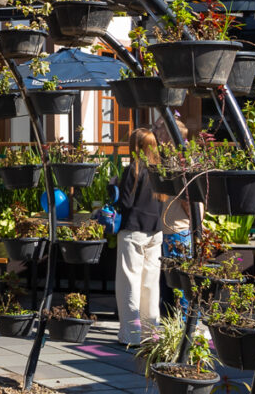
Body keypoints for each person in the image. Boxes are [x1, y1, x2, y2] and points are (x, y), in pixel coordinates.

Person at [115, 128, 164, 346]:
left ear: (135, 146)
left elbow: (125, 203)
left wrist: (113, 186)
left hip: (133, 230)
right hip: (155, 231)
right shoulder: (160, 171)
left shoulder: (133, 170)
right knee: (151, 286)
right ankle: (151, 332)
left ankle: (132, 335)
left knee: (129, 284)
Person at [153, 118, 196, 313]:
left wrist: (194, 222)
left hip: (180, 228)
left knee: (181, 279)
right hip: (175, 227)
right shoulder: (177, 158)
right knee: (177, 278)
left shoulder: (180, 161)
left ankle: (185, 322)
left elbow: (187, 198)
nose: (158, 135)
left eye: (161, 131)